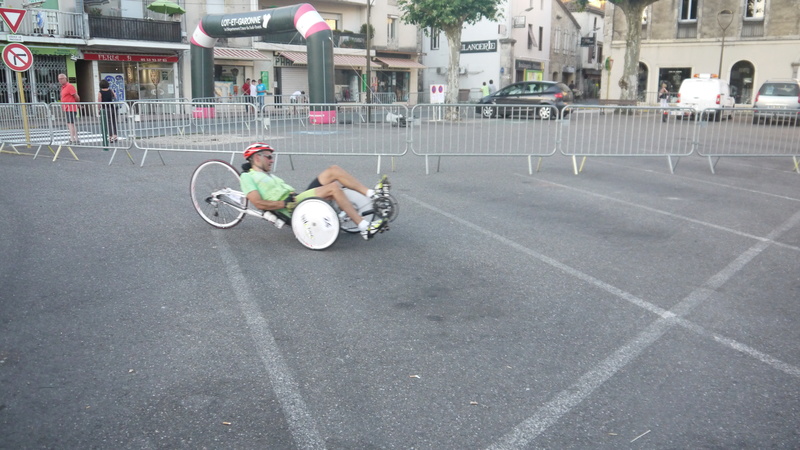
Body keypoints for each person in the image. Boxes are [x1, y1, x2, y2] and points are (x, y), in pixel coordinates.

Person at [239, 142, 387, 240]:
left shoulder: (265, 174)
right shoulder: (247, 177)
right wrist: (283, 204)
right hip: (293, 207)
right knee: (333, 188)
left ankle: (372, 194)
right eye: (269, 157)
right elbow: (258, 203)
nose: (272, 160)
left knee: (333, 170)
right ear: (257, 158)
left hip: (298, 198)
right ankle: (363, 227)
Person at [58, 73, 80, 144]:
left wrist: (77, 103)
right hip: (67, 107)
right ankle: (75, 138)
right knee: (70, 123)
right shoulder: (63, 87)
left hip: (71, 107)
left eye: (62, 79)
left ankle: (73, 139)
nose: (60, 80)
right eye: (59, 79)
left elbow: (76, 96)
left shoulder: (69, 86)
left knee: (70, 123)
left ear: (66, 79)